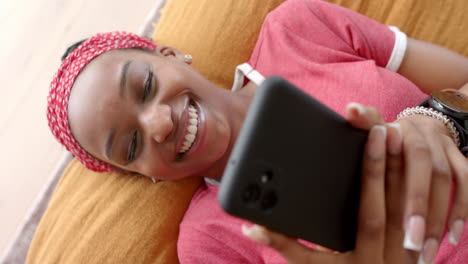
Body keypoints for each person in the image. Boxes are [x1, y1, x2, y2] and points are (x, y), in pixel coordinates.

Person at [47, 0, 468, 263]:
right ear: (145, 175)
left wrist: (439, 118)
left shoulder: (298, 28)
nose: (159, 123)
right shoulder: (207, 244)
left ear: (173, 56)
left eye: (146, 85)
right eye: (132, 144)